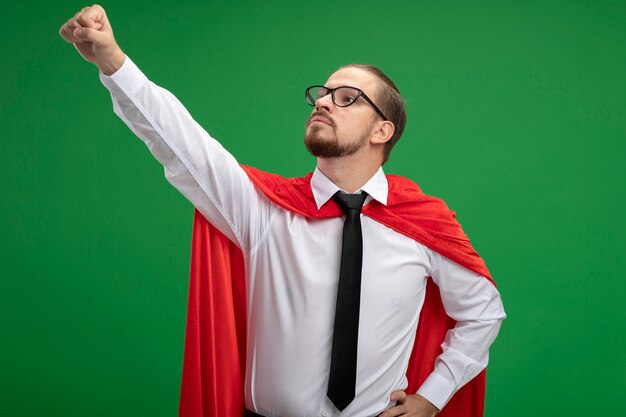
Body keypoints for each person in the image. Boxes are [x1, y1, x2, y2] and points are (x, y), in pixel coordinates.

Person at [60, 5, 506, 417]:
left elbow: (483, 312)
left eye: (347, 97)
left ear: (382, 131)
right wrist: (113, 62)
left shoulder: (421, 223)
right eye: (323, 93)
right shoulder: (262, 209)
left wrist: (433, 396)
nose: (324, 101)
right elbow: (182, 145)